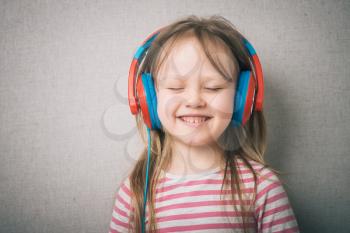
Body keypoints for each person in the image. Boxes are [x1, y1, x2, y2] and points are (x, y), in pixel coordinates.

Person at [109, 15, 299, 233]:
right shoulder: (135, 193)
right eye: (175, 87)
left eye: (213, 87)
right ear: (148, 99)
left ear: (242, 99)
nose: (194, 101)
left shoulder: (262, 186)